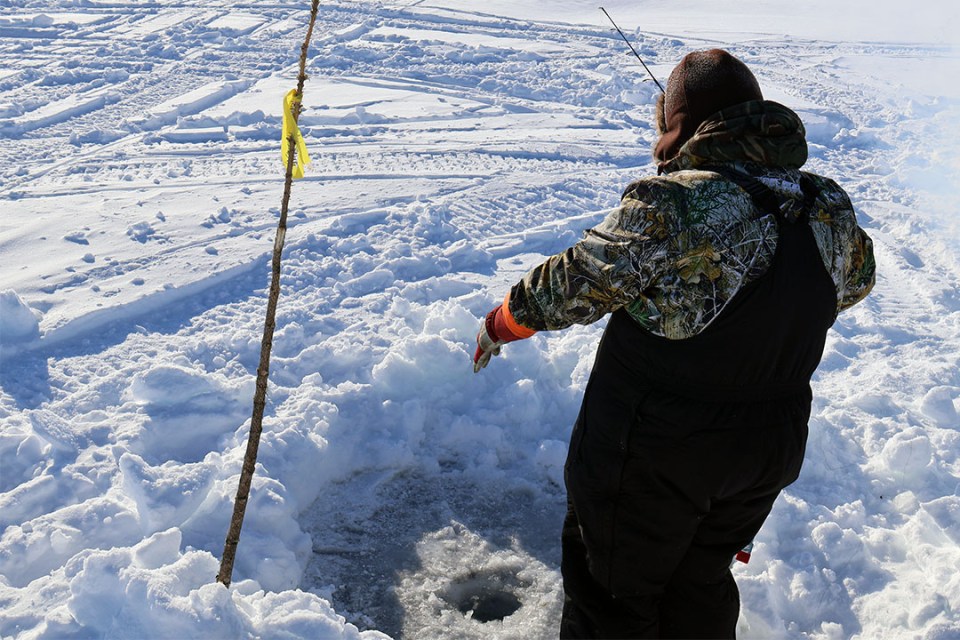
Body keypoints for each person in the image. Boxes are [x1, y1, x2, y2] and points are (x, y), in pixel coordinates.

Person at [472, 49, 876, 639]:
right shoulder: (825, 204)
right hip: (768, 445)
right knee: (700, 581)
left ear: (683, 123)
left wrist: (503, 322)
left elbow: (575, 283)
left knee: (612, 597)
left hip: (653, 449)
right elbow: (855, 283)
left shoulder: (677, 201)